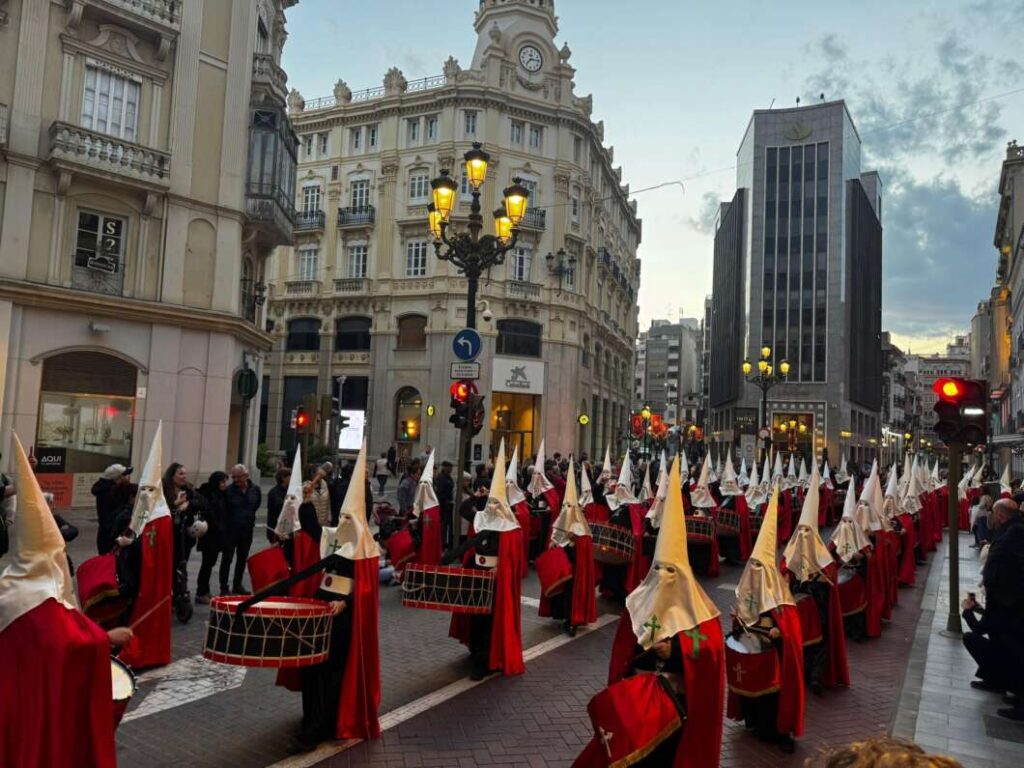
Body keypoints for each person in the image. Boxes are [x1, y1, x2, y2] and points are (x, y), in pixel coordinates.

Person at [575, 456, 724, 768]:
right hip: (638, 699)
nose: (663, 575)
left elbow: (709, 652)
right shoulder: (638, 602)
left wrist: (676, 649)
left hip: (675, 702)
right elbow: (622, 656)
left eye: (670, 570)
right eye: (659, 569)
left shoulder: (699, 611)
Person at [0, 434, 137, 768]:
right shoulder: (43, 599)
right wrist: (109, 638)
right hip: (37, 706)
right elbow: (69, 644)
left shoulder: (8, 586)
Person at [293, 442, 381, 747]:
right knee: (311, 670)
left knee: (331, 675)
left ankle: (321, 727)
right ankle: (310, 720)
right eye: (341, 519)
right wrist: (305, 501)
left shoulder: (365, 552)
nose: (342, 525)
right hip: (320, 611)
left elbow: (366, 592)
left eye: (349, 520)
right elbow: (313, 530)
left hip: (342, 620)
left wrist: (346, 602)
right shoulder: (332, 539)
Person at [728, 482, 804, 752]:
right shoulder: (748, 589)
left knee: (773, 697)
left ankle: (776, 729)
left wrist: (779, 635)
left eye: (762, 567)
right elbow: (741, 620)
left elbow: (791, 635)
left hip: (773, 658)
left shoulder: (781, 600)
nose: (756, 572)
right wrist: (737, 620)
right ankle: (753, 721)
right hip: (753, 653)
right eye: (754, 566)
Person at [445, 440, 525, 680]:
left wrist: (499, 569)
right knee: (476, 618)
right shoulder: (482, 518)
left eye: (494, 503)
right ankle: (477, 652)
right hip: (477, 573)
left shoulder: (510, 527)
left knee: (490, 622)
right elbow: (464, 510)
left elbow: (511, 557)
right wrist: (480, 499)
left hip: (494, 579)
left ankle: (487, 660)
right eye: (490, 503)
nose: (492, 507)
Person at [782, 461, 849, 694]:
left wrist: (819, 580)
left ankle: (816, 676)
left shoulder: (823, 557)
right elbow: (783, 573)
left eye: (806, 533)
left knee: (820, 641)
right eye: (800, 533)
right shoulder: (791, 553)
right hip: (797, 608)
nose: (803, 537)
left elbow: (830, 575)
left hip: (818, 609)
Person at [116, 422, 173, 670]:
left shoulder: (162, 518)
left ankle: (145, 651)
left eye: (151, 490)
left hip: (150, 579)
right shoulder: (140, 512)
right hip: (133, 574)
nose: (147, 494)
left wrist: (132, 544)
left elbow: (153, 549)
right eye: (143, 489)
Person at [962, 498, 1024, 720]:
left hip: (1010, 606)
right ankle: (1001, 683)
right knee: (1006, 648)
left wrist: (969, 610)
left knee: (1016, 653)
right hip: (1003, 604)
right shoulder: (1012, 530)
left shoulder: (1016, 532)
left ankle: (1019, 700)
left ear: (1000, 516)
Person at [539, 456, 597, 636]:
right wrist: (554, 544)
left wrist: (576, 540)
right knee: (560, 594)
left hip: (574, 569)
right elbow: (553, 541)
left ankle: (572, 620)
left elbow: (586, 544)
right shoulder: (559, 522)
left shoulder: (582, 526)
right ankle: (560, 615)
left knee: (572, 595)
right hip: (561, 569)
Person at [163, 462, 204, 607]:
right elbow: (161, 510)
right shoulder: (164, 490)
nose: (183, 476)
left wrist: (189, 504)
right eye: (180, 474)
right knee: (169, 566)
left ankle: (180, 593)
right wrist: (176, 504)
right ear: (172, 475)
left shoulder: (188, 489)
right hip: (168, 535)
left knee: (182, 565)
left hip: (184, 536)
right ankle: (169, 595)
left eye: (184, 473)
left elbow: (201, 501)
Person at [221, 463, 261, 595]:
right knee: (227, 559)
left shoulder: (255, 490)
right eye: (234, 477)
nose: (236, 480)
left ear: (246, 475)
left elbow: (256, 505)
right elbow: (224, 510)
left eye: (239, 477)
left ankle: (237, 585)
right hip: (231, 531)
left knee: (242, 559)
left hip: (247, 530)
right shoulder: (228, 491)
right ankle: (224, 587)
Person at [195, 471, 228, 604]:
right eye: (222, 482)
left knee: (210, 563)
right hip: (209, 535)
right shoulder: (208, 495)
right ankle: (201, 591)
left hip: (217, 535)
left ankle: (205, 590)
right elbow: (210, 513)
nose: (224, 484)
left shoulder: (221, 494)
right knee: (207, 564)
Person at [92, 463, 132, 554]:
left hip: (106, 533)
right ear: (117, 478)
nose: (128, 477)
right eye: (124, 475)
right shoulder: (111, 493)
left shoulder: (106, 489)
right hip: (110, 534)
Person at [267, 466, 292, 544]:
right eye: (289, 476)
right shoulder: (274, 492)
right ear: (283, 478)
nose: (291, 478)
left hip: (288, 528)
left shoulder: (290, 490)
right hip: (276, 528)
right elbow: (280, 507)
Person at [435, 460, 455, 550]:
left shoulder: (447, 477)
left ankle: (445, 542)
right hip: (443, 504)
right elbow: (440, 492)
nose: (450, 470)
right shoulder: (441, 478)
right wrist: (446, 501)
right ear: (444, 468)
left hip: (448, 504)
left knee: (447, 524)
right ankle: (441, 543)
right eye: (449, 468)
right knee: (443, 524)